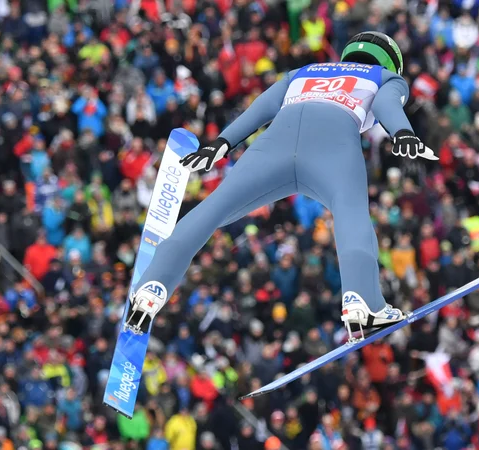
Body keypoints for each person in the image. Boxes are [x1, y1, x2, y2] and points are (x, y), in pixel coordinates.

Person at [129, 32, 430, 336]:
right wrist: (402, 132)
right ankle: (362, 301)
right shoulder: (386, 77)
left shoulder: (304, 72)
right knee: (350, 213)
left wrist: (222, 143)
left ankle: (152, 286)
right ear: (393, 62)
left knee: (214, 208)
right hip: (333, 144)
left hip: (272, 145)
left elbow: (261, 108)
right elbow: (388, 106)